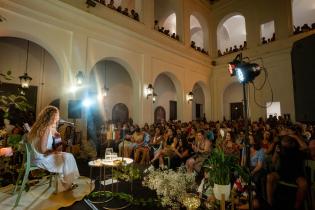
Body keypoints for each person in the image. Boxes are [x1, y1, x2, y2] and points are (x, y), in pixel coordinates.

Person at [27, 106, 80, 192]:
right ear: (52, 117)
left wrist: (57, 137)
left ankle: (66, 182)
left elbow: (56, 147)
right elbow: (42, 150)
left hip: (34, 158)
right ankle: (67, 184)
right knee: (68, 156)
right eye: (57, 115)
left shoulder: (37, 127)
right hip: (41, 159)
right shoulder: (46, 128)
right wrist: (53, 152)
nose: (58, 118)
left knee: (65, 156)